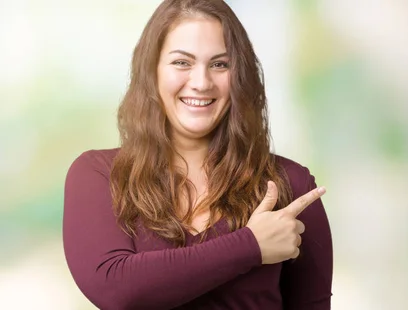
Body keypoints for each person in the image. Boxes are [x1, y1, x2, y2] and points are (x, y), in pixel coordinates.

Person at [62, 0, 333, 309]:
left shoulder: (290, 184)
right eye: (182, 63)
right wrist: (252, 245)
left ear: (239, 75)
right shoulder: (98, 174)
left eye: (220, 64)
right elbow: (115, 288)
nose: (202, 82)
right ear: (151, 70)